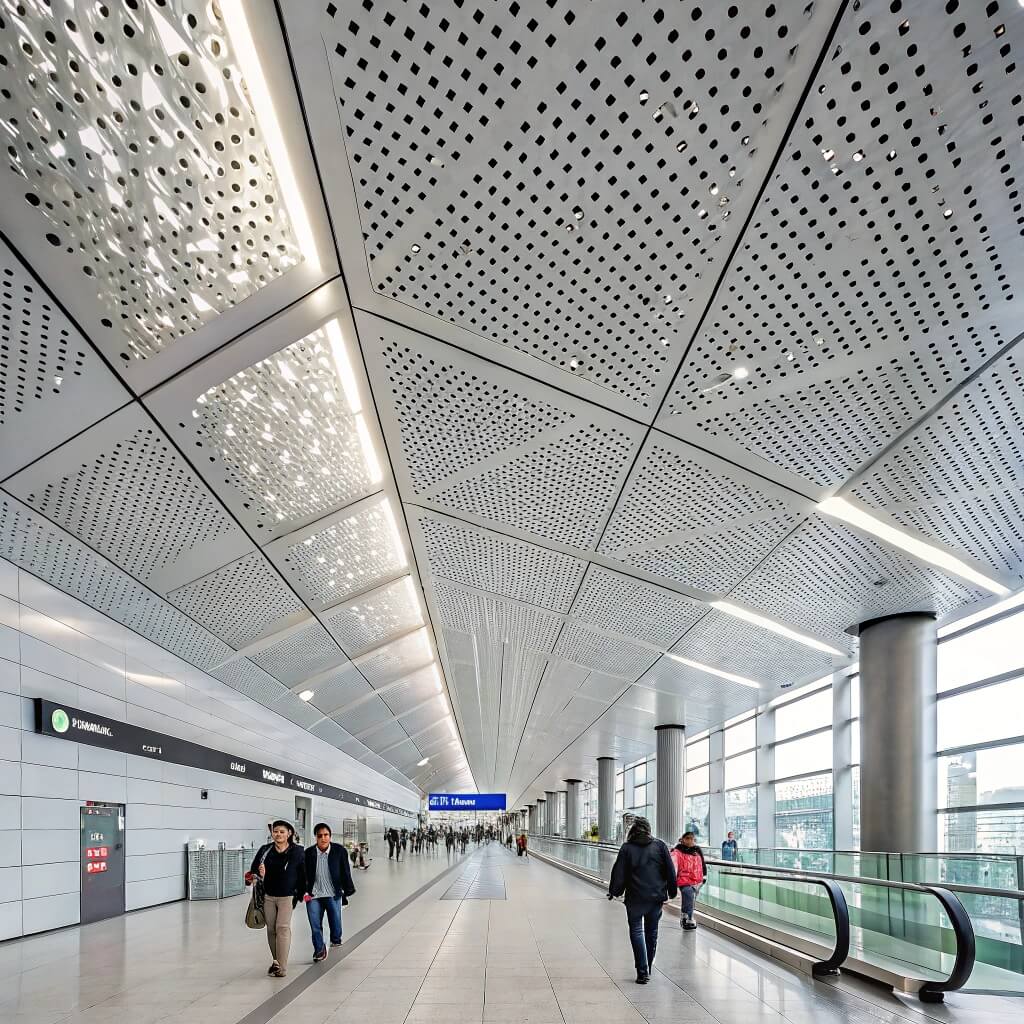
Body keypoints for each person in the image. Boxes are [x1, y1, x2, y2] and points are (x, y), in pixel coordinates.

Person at [607, 816, 677, 985]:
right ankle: (648, 968)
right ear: (648, 829)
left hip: (635, 898)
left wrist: (614, 891)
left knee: (637, 931)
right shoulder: (659, 845)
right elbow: (670, 870)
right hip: (655, 897)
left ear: (632, 831)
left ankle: (642, 971)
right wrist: (672, 892)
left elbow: (619, 873)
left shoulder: (627, 848)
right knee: (651, 932)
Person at [246, 820, 306, 978]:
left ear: (289, 833)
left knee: (282, 927)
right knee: (271, 929)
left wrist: (303, 892)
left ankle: (282, 967)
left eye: (282, 831)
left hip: (287, 896)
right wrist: (260, 874)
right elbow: (252, 873)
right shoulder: (265, 851)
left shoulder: (298, 851)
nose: (278, 834)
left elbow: (304, 873)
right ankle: (276, 961)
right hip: (268, 896)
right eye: (275, 831)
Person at [302, 823, 356, 962]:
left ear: (330, 836)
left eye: (326, 835)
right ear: (316, 837)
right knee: (315, 924)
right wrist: (303, 891)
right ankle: (319, 949)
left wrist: (347, 890)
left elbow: (345, 871)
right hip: (313, 895)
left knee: (335, 920)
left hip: (333, 893)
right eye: (320, 836)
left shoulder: (339, 851)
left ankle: (336, 939)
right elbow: (303, 874)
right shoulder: (308, 853)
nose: (323, 838)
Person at [671, 832, 707, 931]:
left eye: (692, 839)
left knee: (691, 899)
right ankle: (687, 918)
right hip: (684, 880)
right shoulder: (677, 851)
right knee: (689, 895)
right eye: (687, 838)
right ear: (682, 839)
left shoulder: (697, 850)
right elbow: (673, 865)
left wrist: (704, 876)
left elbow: (703, 864)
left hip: (697, 880)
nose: (690, 840)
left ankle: (686, 917)